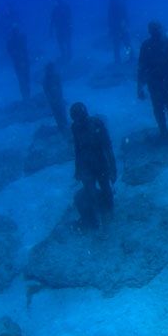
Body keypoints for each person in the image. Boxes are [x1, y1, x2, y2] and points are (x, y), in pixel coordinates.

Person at [70, 102, 116, 231]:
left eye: (80, 118)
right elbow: (77, 149)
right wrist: (77, 169)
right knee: (90, 193)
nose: (78, 122)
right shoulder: (74, 127)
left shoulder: (97, 124)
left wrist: (113, 170)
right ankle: (96, 217)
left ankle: (109, 210)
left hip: (100, 163)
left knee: (106, 188)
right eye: (75, 119)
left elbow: (108, 148)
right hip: (86, 165)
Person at [137, 21, 168, 142]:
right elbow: (141, 67)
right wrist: (139, 87)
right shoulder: (147, 45)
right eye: (154, 30)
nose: (156, 32)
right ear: (150, 31)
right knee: (160, 110)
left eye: (157, 29)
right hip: (156, 84)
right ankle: (165, 133)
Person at [6, 24, 31, 99]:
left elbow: (10, 52)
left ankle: (26, 95)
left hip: (21, 62)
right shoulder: (19, 38)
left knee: (24, 79)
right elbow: (10, 52)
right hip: (21, 62)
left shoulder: (13, 40)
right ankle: (26, 95)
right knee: (23, 79)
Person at [42, 62, 69, 133]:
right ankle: (61, 127)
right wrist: (51, 99)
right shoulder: (45, 80)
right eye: (49, 70)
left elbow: (60, 87)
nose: (50, 71)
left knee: (62, 112)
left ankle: (65, 125)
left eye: (51, 69)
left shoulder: (57, 76)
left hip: (58, 98)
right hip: (53, 100)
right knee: (56, 113)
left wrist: (59, 96)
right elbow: (46, 91)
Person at [108, 0, 131, 64]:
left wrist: (112, 27)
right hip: (119, 26)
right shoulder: (119, 0)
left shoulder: (115, 1)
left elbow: (111, 16)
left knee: (120, 43)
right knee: (124, 42)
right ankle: (127, 58)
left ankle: (119, 60)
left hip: (118, 26)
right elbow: (124, 14)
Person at [49, 0, 73, 65]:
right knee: (64, 43)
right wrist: (50, 30)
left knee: (65, 43)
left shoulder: (57, 9)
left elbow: (52, 21)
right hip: (63, 29)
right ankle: (66, 56)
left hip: (63, 28)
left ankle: (67, 56)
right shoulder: (59, 8)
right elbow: (52, 20)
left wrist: (50, 30)